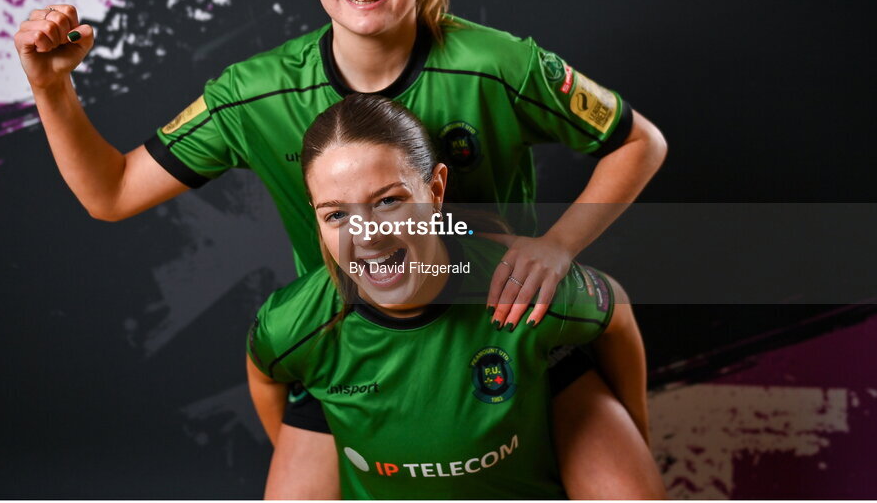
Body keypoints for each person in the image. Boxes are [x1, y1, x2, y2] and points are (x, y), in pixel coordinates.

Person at [13, 0, 665, 332]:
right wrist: (51, 86)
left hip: (501, 335)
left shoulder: (500, 66)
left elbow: (640, 141)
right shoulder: (255, 94)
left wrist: (556, 247)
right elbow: (112, 192)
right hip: (354, 357)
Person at [246, 94, 665, 499]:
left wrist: (637, 430)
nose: (367, 235)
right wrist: (318, 429)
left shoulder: (520, 288)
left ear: (436, 190)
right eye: (336, 214)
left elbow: (617, 310)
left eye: (389, 201)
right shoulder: (297, 323)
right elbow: (263, 369)